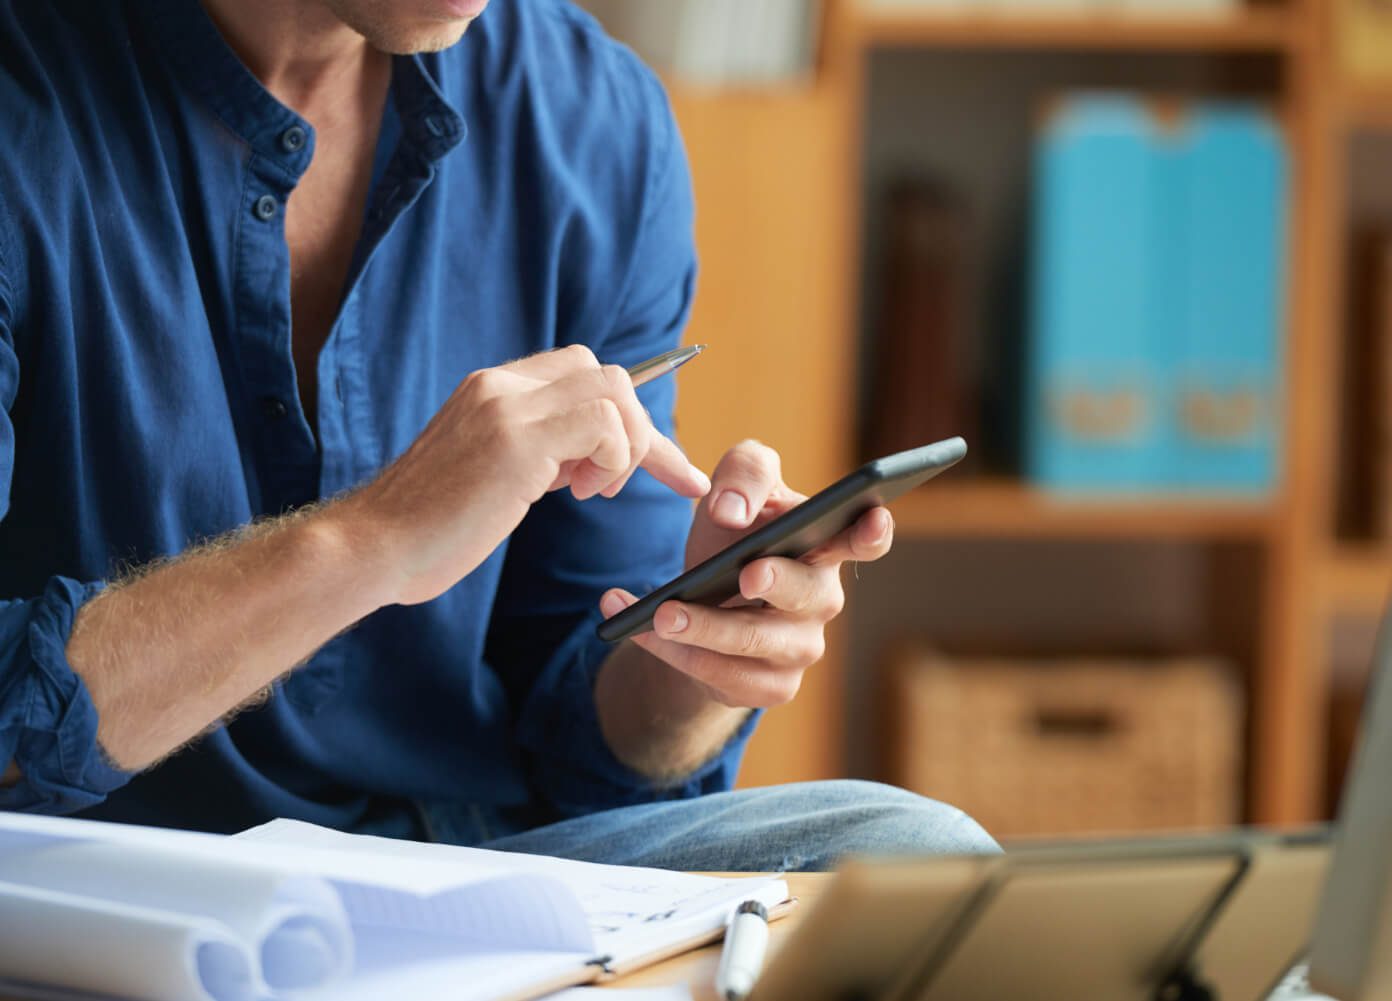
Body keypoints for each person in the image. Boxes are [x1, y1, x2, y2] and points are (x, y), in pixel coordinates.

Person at [0, 0, 997, 869]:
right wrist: (374, 539)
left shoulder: (590, 115)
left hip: (472, 874)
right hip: (104, 881)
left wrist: (701, 656)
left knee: (920, 857)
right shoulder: (27, 99)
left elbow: (584, 741)